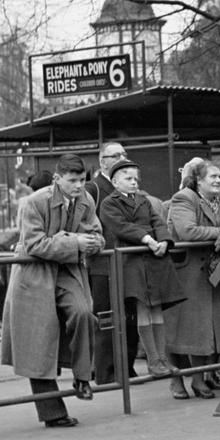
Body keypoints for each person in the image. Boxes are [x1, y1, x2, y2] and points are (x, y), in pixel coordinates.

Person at [1, 153, 102, 429]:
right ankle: (53, 413)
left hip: (67, 271)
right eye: (72, 181)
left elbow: (97, 235)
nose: (79, 186)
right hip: (35, 276)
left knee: (83, 313)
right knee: (39, 341)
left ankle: (82, 377)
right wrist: (77, 241)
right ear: (58, 179)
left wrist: (90, 242)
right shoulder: (35, 202)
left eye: (82, 180)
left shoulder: (86, 201)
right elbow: (35, 245)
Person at [99, 159, 187, 380]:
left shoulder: (144, 201)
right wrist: (147, 238)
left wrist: (164, 241)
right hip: (133, 258)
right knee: (143, 309)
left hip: (154, 256)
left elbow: (158, 221)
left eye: (135, 179)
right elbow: (121, 227)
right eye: (128, 178)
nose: (133, 182)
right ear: (115, 181)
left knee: (156, 308)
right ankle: (153, 360)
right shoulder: (109, 203)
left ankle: (162, 359)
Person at [165, 158, 220, 399]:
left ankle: (200, 379)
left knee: (204, 327)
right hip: (186, 271)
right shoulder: (185, 198)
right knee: (182, 328)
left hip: (211, 270)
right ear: (198, 181)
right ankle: (176, 380)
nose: (219, 180)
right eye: (213, 177)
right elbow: (187, 231)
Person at [85, 142, 140, 383]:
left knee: (129, 318)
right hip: (103, 264)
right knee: (106, 319)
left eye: (124, 154)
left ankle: (126, 368)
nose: (121, 157)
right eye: (115, 155)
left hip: (127, 263)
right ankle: (106, 372)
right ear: (102, 161)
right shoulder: (93, 188)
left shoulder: (129, 186)